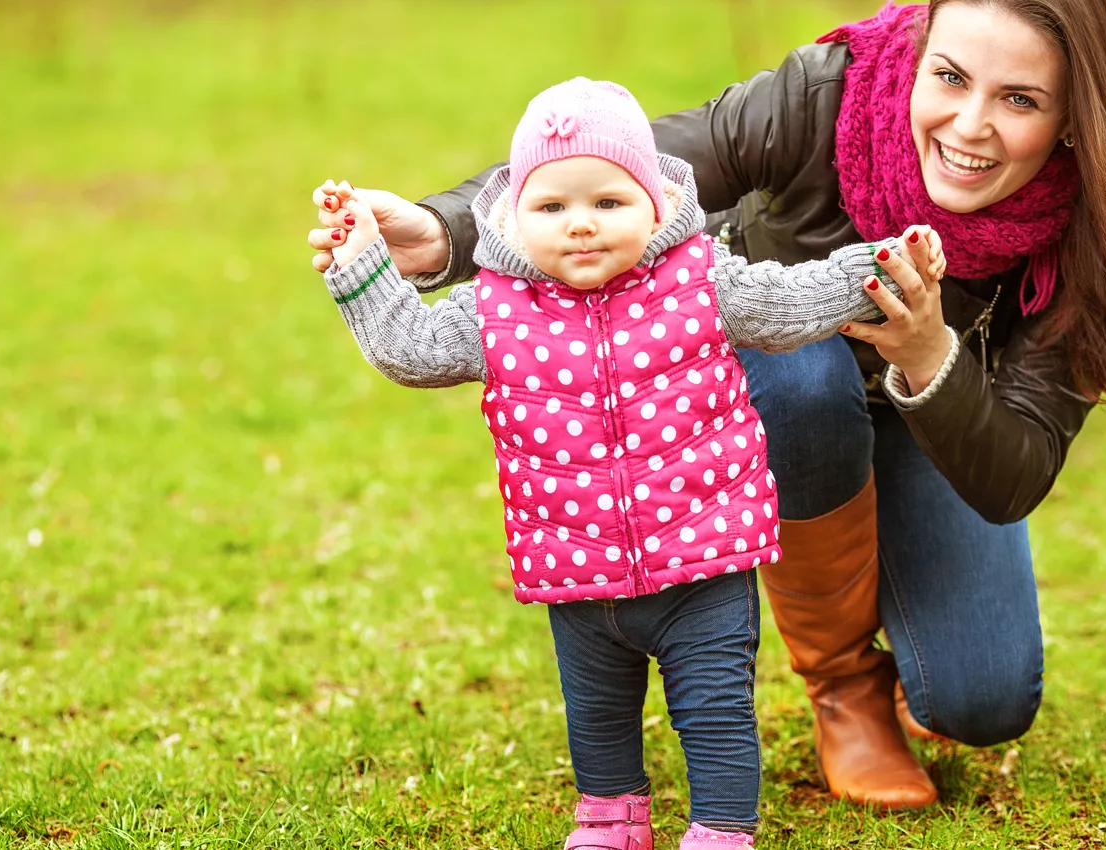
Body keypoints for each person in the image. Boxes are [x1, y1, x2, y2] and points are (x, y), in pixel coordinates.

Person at [308, 0, 1106, 811]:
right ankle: (844, 686)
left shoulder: (1097, 232)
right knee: (799, 375)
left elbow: (1015, 473)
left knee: (980, 701)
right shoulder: (830, 92)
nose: (970, 125)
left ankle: (915, 644)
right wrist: (443, 231)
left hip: (937, 419)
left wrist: (931, 352)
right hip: (778, 389)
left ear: (1074, 120)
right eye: (949, 77)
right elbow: (630, 164)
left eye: (1020, 100)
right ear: (917, 58)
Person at [311, 77, 942, 847]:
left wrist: (876, 268)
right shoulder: (497, 309)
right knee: (597, 709)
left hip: (704, 561)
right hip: (576, 565)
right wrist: (362, 266)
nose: (581, 226)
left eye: (608, 203)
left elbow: (788, 302)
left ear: (657, 204)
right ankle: (610, 816)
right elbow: (409, 351)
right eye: (553, 207)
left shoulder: (701, 281)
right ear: (513, 216)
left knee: (713, 707)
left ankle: (721, 827)